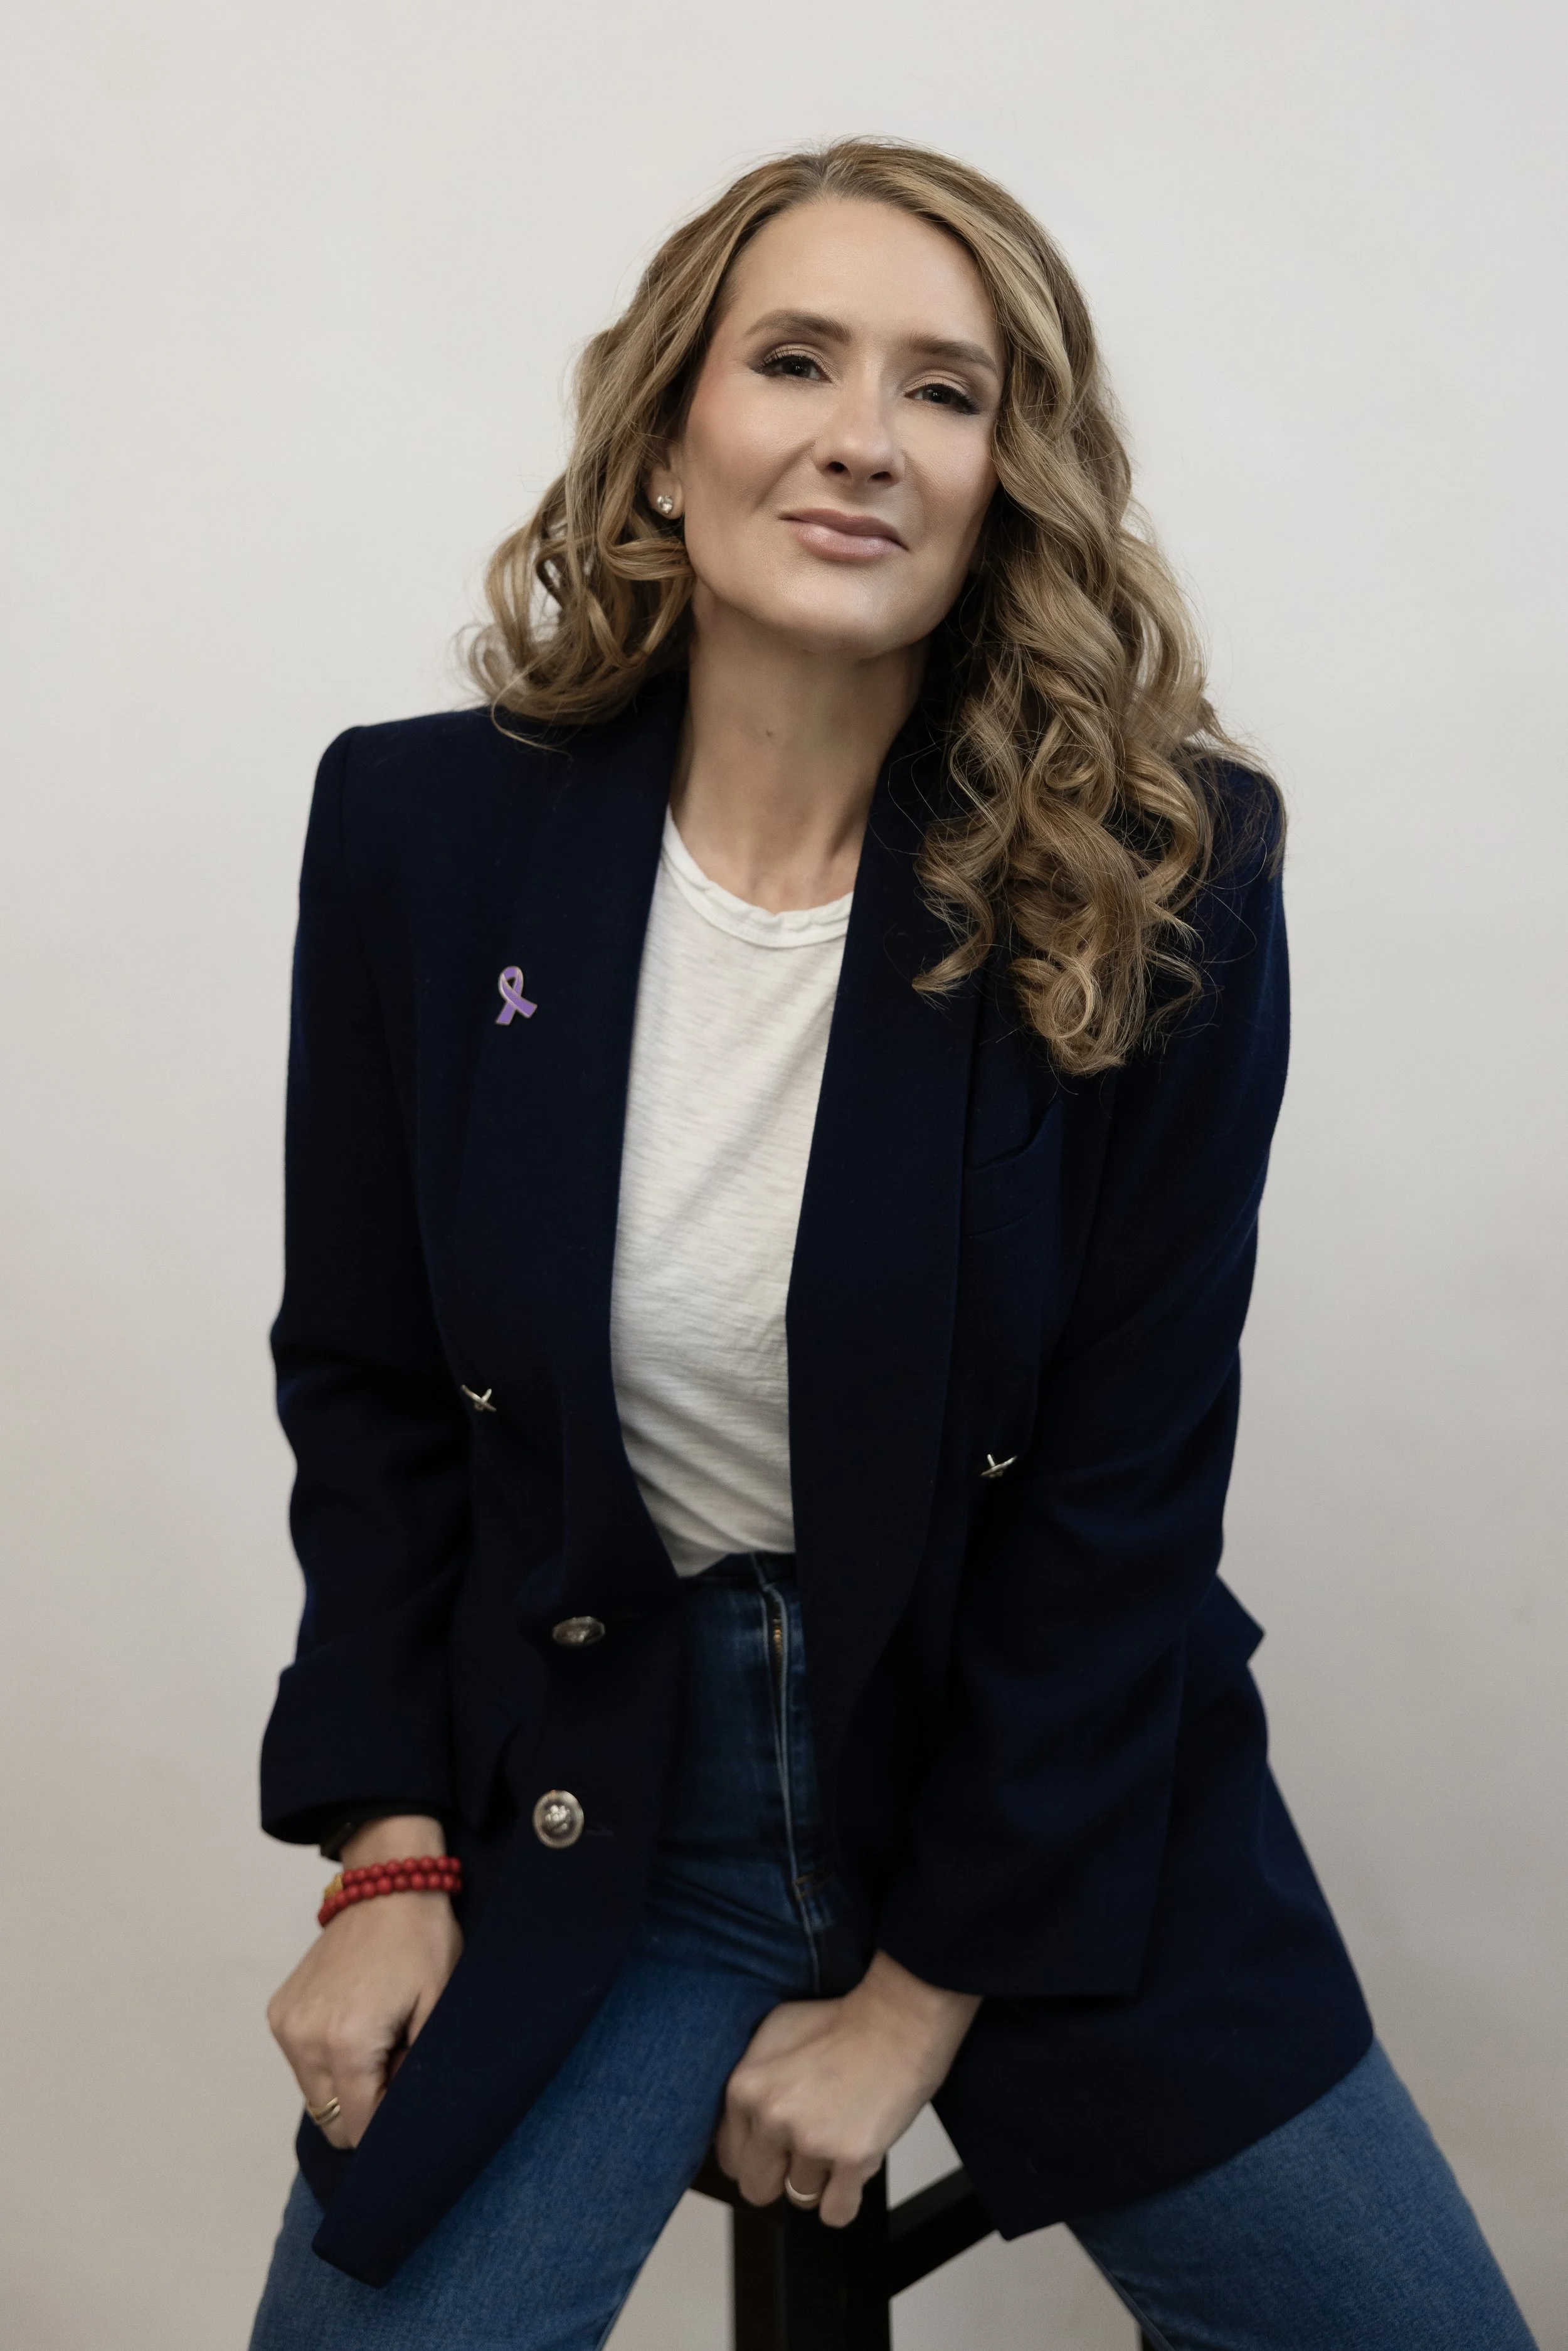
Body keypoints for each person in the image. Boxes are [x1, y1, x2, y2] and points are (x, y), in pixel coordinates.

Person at [248, 140, 1535, 2351]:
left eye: (944, 390)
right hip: (598, 1783)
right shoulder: (421, 832)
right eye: (795, 361)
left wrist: (918, 1992)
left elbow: (1123, 1491)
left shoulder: (1165, 868)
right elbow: (367, 1385)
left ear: (1001, 483)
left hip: (1042, 1777)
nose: (865, 435)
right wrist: (386, 1851)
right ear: (668, 439)